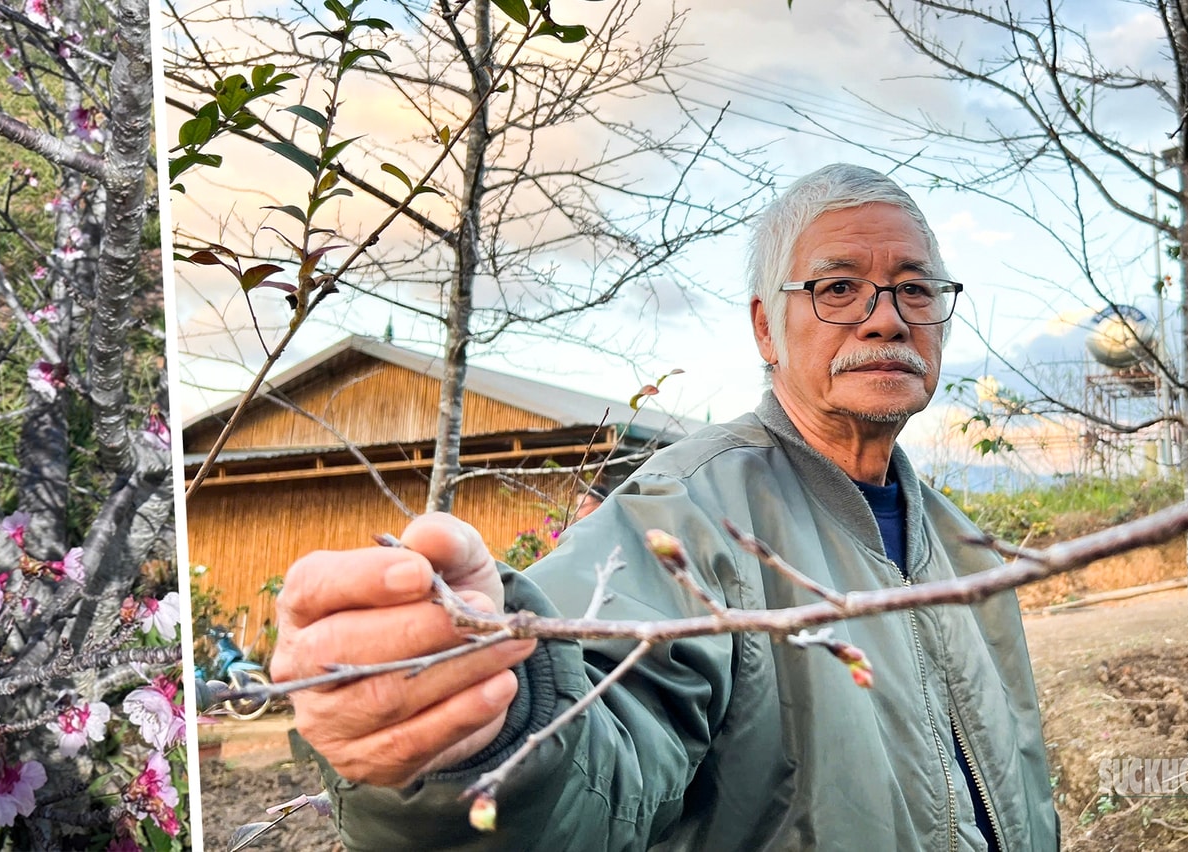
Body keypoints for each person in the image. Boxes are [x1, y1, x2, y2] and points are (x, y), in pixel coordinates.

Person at [270, 164, 1058, 850]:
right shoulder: (682, 516)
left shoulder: (966, 549)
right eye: (838, 287)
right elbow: (599, 770)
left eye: (915, 288)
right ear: (765, 327)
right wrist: (481, 735)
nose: (886, 316)